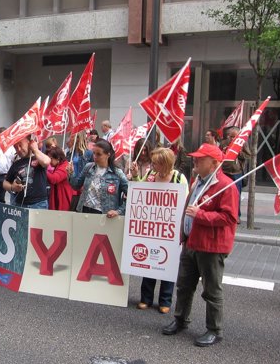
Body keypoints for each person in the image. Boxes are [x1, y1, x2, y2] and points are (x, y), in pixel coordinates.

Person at [162, 143, 238, 347]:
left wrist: (200, 215)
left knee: (211, 290)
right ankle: (180, 319)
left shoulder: (226, 185)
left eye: (200, 158)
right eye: (196, 157)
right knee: (184, 285)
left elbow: (229, 218)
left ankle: (214, 329)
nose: (195, 161)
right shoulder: (199, 181)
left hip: (211, 247)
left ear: (214, 163)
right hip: (191, 242)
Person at [137, 148, 188, 314]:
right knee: (148, 262)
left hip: (169, 228)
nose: (153, 165)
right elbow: (140, 189)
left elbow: (184, 201)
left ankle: (165, 300)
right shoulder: (151, 175)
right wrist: (135, 176)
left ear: (165, 163)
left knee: (168, 264)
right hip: (152, 226)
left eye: (156, 163)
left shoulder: (178, 178)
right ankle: (146, 298)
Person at [67, 139, 128, 218]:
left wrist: (118, 211)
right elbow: (76, 186)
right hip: (83, 211)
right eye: (94, 153)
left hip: (105, 215)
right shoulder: (88, 167)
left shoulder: (117, 173)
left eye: (99, 154)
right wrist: (71, 173)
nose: (95, 156)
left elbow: (131, 195)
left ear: (108, 155)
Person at [3, 135, 51, 209]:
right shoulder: (16, 163)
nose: (18, 149)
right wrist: (12, 187)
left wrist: (35, 149)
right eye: (15, 147)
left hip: (38, 204)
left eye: (20, 145)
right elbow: (5, 183)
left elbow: (46, 161)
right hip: (20, 203)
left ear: (29, 143)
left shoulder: (38, 158)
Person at [221, 126, 250, 222]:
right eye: (230, 136)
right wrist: (223, 151)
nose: (232, 139)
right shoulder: (224, 143)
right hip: (225, 172)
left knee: (236, 194)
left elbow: (248, 155)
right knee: (224, 194)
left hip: (236, 173)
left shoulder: (242, 143)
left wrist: (239, 153)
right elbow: (218, 154)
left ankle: (237, 215)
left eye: (234, 137)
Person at [46, 147, 74, 211]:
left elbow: (54, 179)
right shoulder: (59, 166)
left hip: (64, 201)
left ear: (58, 158)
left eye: (51, 158)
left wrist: (44, 169)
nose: (49, 161)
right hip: (59, 199)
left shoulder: (65, 166)